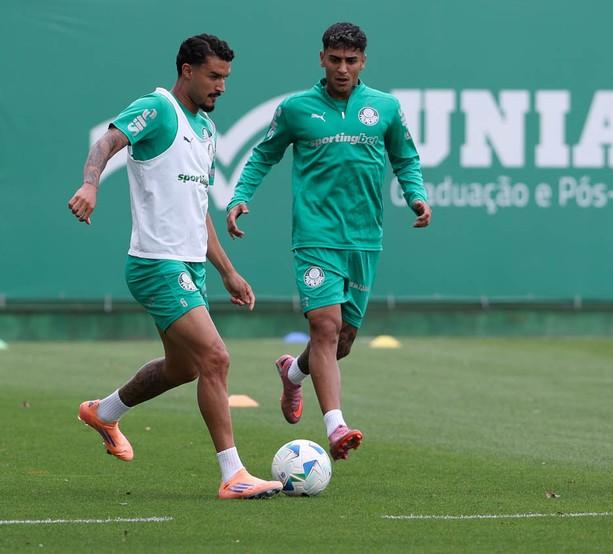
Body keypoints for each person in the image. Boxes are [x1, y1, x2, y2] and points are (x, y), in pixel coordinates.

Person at [67, 34, 282, 500]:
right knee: (216, 358)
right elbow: (107, 142)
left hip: (190, 266)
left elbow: (197, 210)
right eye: (214, 76)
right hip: (155, 264)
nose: (221, 86)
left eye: (226, 77)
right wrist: (91, 185)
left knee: (184, 368)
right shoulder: (159, 108)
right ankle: (233, 475)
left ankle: (104, 412)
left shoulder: (207, 130)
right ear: (187, 70)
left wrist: (227, 271)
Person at [225, 22, 431, 462]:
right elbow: (263, 154)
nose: (342, 69)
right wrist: (241, 196)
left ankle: (293, 374)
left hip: (364, 239)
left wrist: (416, 195)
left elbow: (405, 158)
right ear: (321, 58)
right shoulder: (296, 108)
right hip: (315, 236)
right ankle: (336, 427)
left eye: (350, 61)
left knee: (343, 341)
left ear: (363, 62)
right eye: (334, 60)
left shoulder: (385, 107)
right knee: (324, 325)